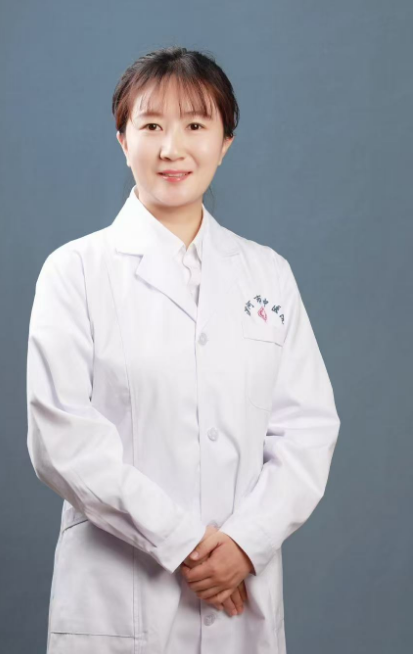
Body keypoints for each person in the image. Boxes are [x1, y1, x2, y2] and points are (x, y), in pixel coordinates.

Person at [26, 46, 341, 654]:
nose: (173, 148)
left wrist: (245, 543)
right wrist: (187, 543)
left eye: (196, 125)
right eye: (151, 126)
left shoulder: (267, 275)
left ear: (225, 143)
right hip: (118, 597)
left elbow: (306, 429)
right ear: (123, 140)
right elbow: (61, 440)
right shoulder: (75, 271)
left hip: (241, 593)